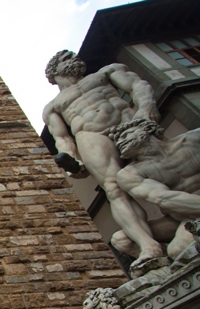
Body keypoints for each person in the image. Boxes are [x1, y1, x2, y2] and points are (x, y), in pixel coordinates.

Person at [42, 50, 164, 269]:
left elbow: (139, 86)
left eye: (72, 56)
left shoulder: (105, 73)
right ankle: (148, 246)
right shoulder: (54, 106)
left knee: (164, 169)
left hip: (129, 123)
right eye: (64, 58)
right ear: (53, 72)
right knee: (113, 189)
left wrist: (146, 108)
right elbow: (62, 138)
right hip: (91, 136)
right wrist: (72, 162)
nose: (73, 58)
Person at [105, 119, 200, 260]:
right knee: (122, 239)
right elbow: (162, 198)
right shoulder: (130, 173)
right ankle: (161, 264)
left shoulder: (193, 140)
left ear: (147, 130)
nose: (119, 141)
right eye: (117, 139)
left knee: (178, 251)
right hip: (185, 216)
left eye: (126, 135)